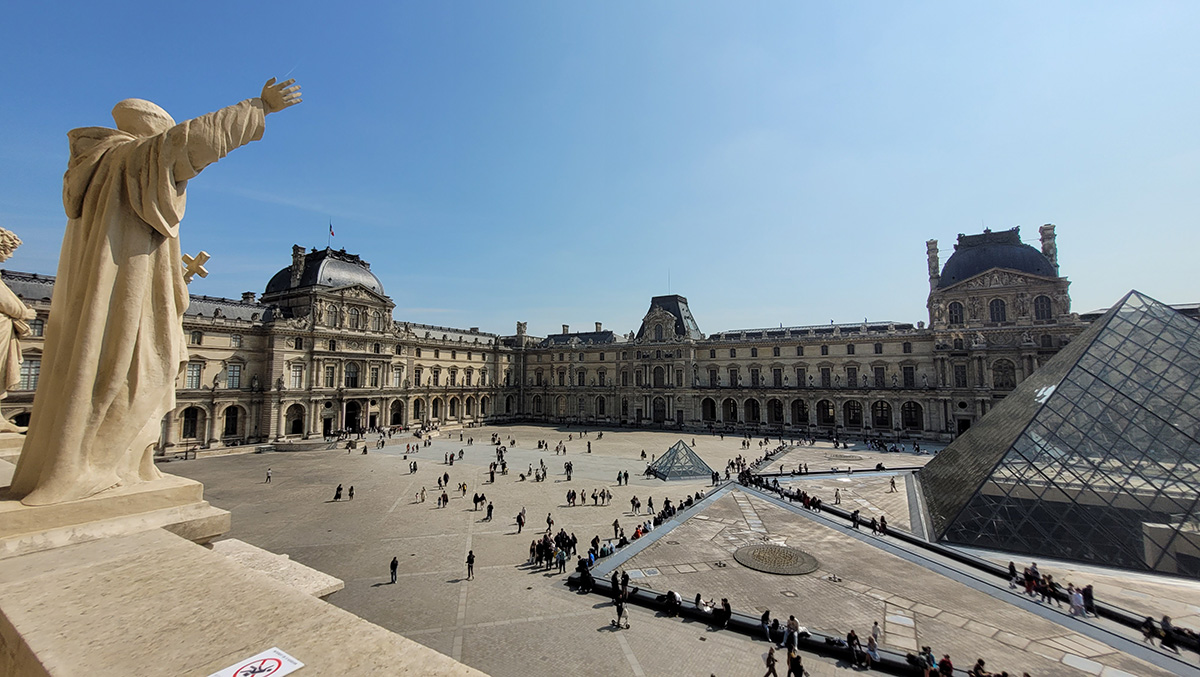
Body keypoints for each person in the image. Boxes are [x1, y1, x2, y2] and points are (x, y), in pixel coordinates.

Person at [10, 78, 302, 506]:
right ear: (153, 132)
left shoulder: (92, 170)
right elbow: (196, 139)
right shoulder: (135, 158)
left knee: (126, 366)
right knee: (140, 364)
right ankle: (96, 466)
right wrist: (260, 106)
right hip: (128, 277)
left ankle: (113, 461)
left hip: (107, 280)